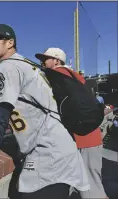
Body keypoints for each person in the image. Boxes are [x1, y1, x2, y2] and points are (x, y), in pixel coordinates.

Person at [0, 24, 89, 199]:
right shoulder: (27, 64)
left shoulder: (7, 66)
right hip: (61, 151)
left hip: (48, 157)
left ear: (10, 43)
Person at [35, 47, 108, 199]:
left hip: (84, 138)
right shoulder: (73, 77)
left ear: (56, 61)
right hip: (90, 135)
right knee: (93, 185)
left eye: (45, 59)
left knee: (91, 189)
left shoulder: (59, 74)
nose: (42, 62)